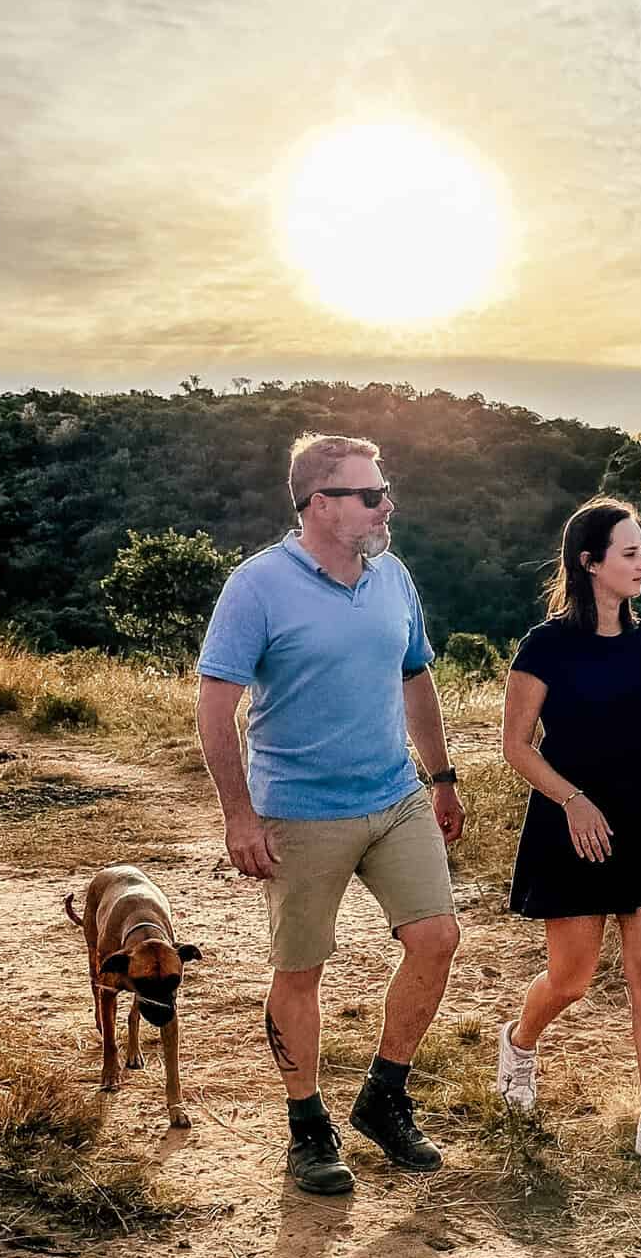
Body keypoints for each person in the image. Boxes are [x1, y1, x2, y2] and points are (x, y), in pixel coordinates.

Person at [195, 433, 466, 1196]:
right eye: (371, 494)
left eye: (386, 490)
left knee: (437, 937)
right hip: (299, 813)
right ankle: (307, 1127)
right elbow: (216, 711)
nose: (389, 505)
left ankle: (384, 1096)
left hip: (394, 796)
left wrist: (441, 778)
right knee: (301, 969)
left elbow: (416, 678)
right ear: (321, 505)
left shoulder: (392, 578)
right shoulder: (257, 586)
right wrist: (239, 817)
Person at [496, 498, 641, 1175]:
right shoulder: (545, 645)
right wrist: (574, 801)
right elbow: (516, 747)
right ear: (590, 563)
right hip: (573, 826)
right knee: (573, 978)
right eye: (631, 553)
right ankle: (521, 1042)